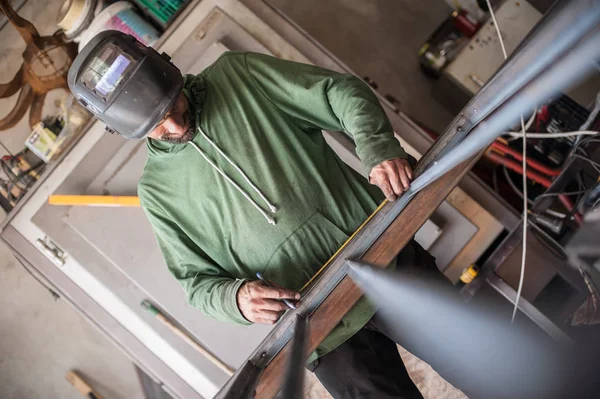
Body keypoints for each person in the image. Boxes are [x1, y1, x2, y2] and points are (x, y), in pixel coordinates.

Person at [69, 30, 440, 398]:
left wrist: (378, 147)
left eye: (174, 106)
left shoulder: (239, 75)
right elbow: (197, 284)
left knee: (486, 363)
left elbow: (338, 92)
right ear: (127, 131)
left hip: (384, 257)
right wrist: (237, 299)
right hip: (320, 327)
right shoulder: (156, 193)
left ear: (171, 71)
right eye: (158, 125)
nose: (177, 126)